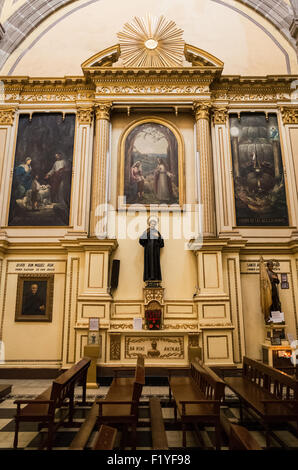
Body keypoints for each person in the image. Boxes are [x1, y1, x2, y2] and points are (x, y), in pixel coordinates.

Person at [139, 216, 164, 283]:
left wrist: (158, 237)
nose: (152, 225)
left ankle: (156, 278)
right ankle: (148, 278)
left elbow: (162, 243)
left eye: (154, 224)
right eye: (151, 224)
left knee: (155, 264)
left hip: (155, 252)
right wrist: (143, 238)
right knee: (149, 264)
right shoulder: (146, 232)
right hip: (148, 251)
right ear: (149, 224)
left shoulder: (157, 232)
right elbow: (141, 241)